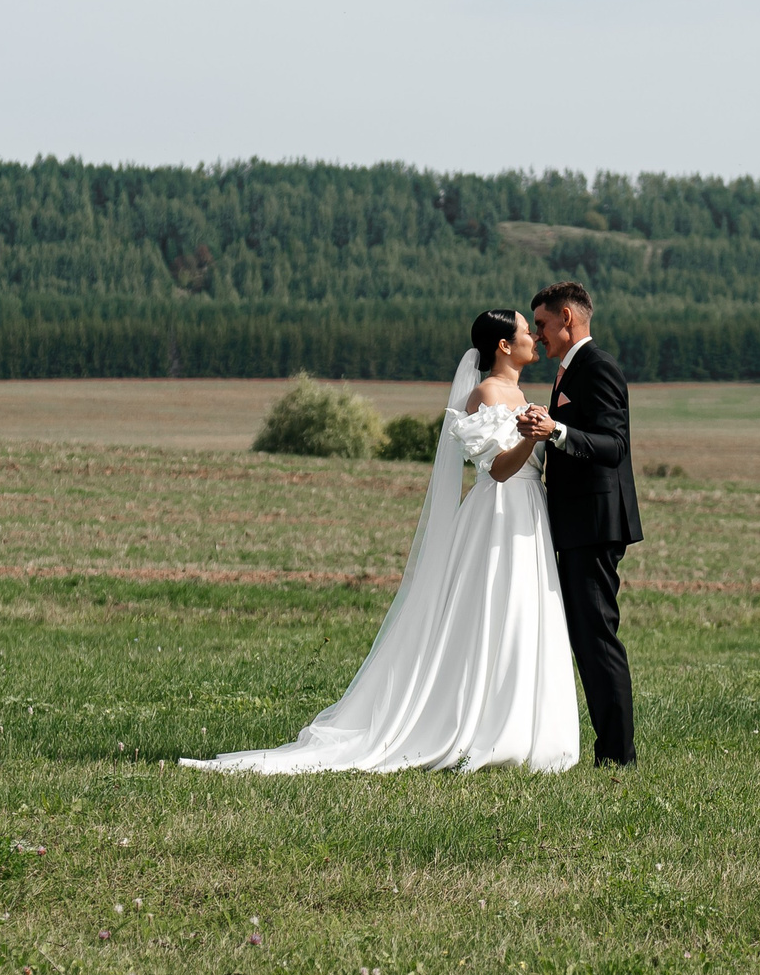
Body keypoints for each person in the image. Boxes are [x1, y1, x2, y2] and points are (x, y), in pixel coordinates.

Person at [182, 309, 580, 774]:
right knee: (497, 612)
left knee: (523, 614)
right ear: (504, 346)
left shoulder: (519, 394)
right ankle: (484, 729)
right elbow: (497, 469)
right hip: (498, 513)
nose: (534, 335)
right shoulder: (487, 394)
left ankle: (521, 726)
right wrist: (533, 438)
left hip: (527, 512)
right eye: (525, 329)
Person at [517, 280, 642, 767]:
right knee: (586, 639)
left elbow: (614, 445)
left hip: (594, 524)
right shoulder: (570, 371)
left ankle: (618, 756)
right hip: (577, 523)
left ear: (567, 318)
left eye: (544, 325)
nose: (541, 336)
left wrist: (558, 431)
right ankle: (610, 750)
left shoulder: (598, 367)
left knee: (596, 638)